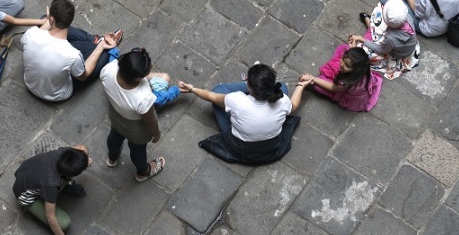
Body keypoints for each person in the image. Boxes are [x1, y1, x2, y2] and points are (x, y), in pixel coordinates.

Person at [180, 64, 309, 165]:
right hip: (271, 149)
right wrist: (301, 85)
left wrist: (192, 89)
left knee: (218, 91)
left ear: (249, 86)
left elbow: (210, 96)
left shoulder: (236, 100)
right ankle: (257, 89)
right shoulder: (282, 101)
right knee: (284, 89)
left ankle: (247, 88)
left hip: (240, 149)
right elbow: (294, 105)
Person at [19, 0, 122, 102]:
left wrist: (49, 19)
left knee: (43, 18)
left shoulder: (30, 33)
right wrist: (101, 47)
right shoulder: (73, 55)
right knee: (105, 54)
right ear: (71, 21)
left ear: (51, 19)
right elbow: (83, 76)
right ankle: (98, 42)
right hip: (56, 95)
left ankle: (93, 40)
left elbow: (39, 31)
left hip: (30, 83)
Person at [100, 48, 174, 181]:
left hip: (116, 115)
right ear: (137, 78)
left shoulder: (108, 70)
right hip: (135, 129)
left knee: (114, 136)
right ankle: (143, 171)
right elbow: (150, 120)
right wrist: (156, 134)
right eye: (147, 72)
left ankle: (112, 157)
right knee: (137, 150)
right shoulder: (142, 98)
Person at [13, 145, 91, 235]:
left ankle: (61, 186)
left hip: (26, 172)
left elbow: (82, 147)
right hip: (25, 197)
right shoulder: (51, 185)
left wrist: (85, 159)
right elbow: (50, 216)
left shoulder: (65, 152)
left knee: (51, 188)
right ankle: (42, 199)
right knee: (64, 223)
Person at [301, 44, 381, 112]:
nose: (342, 64)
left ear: (355, 69)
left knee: (316, 86)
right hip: (348, 81)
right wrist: (353, 47)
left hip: (343, 92)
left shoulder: (346, 82)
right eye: (343, 59)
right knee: (344, 47)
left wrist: (313, 78)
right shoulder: (363, 68)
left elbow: (332, 87)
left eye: (347, 65)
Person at [355, 0, 420, 80]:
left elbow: (380, 50)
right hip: (408, 46)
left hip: (396, 53)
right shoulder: (408, 17)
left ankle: (369, 26)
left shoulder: (391, 38)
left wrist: (362, 39)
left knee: (364, 50)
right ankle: (369, 25)